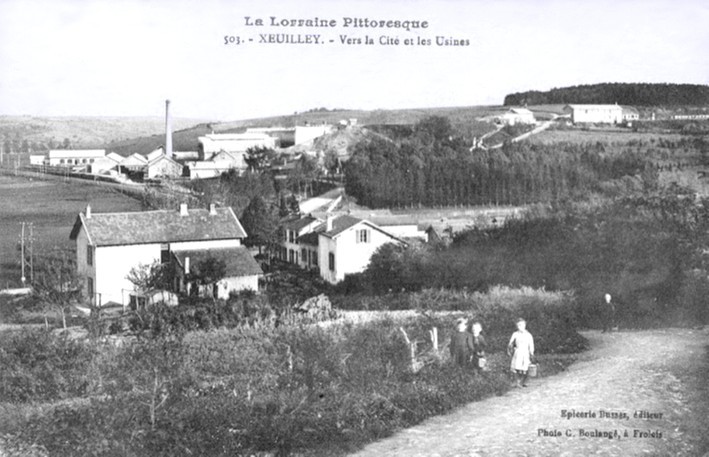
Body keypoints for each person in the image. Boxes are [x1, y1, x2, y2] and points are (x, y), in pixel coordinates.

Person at [507, 318, 535, 387]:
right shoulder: (515, 334)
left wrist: (531, 353)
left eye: (521, 325)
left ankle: (523, 381)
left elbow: (531, 345)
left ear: (525, 325)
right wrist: (510, 348)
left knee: (525, 368)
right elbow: (510, 343)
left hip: (525, 352)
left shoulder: (528, 335)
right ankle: (517, 382)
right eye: (518, 325)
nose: (520, 327)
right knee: (517, 367)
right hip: (518, 352)